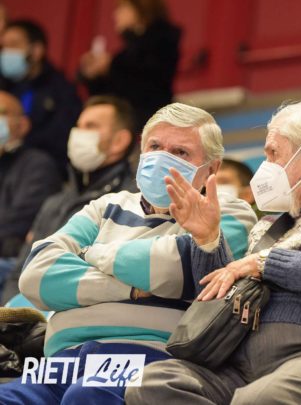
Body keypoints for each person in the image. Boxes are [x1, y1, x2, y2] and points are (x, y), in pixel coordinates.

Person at [127, 101, 301, 405]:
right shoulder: (271, 223)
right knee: (154, 384)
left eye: (273, 153)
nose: (265, 166)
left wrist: (267, 263)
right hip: (241, 360)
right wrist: (207, 239)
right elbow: (221, 298)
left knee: (260, 399)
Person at [0, 103, 256, 404]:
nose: (162, 158)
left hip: (147, 357)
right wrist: (130, 289)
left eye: (180, 152)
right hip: (61, 360)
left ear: (211, 168)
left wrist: (90, 254)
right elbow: (37, 275)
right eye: (155, 147)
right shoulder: (105, 206)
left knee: (88, 396)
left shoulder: (226, 211)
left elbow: (180, 268)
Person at [0, 95, 137, 305]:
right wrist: (11, 314)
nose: (78, 134)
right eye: (78, 126)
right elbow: (20, 271)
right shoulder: (55, 203)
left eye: (90, 126)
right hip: (28, 310)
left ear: (119, 141)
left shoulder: (130, 201)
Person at [79, 0, 181, 131]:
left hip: (149, 122)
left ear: (141, 10)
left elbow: (147, 81)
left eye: (122, 8)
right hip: (126, 124)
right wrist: (94, 76)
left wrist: (111, 66)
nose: (116, 14)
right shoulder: (126, 53)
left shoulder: (161, 43)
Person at [0, 19, 82, 176]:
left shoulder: (61, 90)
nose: (6, 52)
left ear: (36, 50)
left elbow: (61, 138)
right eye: (3, 47)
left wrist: (20, 141)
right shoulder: (5, 86)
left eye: (14, 45)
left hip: (45, 170)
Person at [0, 91, 62, 295]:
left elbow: (16, 226)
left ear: (23, 125)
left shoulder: (37, 165)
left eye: (2, 112)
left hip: (15, 261)